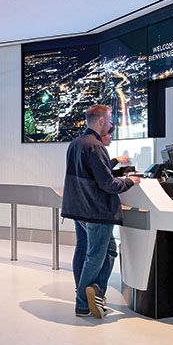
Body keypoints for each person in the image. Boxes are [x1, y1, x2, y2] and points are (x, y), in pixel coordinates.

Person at [61, 104, 140, 319]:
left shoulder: (76, 144)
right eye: (110, 120)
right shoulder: (95, 146)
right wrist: (129, 181)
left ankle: (88, 292)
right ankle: (85, 302)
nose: (112, 125)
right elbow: (108, 184)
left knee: (89, 251)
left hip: (79, 210)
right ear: (102, 121)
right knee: (98, 255)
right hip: (96, 210)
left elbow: (91, 174)